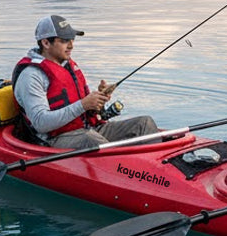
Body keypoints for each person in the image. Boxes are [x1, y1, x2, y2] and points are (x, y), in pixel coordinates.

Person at [11, 14, 159, 148]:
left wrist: (98, 101)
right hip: (53, 140)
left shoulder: (67, 65)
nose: (71, 46)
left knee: (144, 123)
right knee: (92, 140)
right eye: (64, 41)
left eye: (72, 39)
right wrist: (83, 105)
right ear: (45, 43)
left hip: (88, 129)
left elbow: (83, 107)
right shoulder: (31, 75)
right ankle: (131, 172)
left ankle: (158, 169)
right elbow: (41, 123)